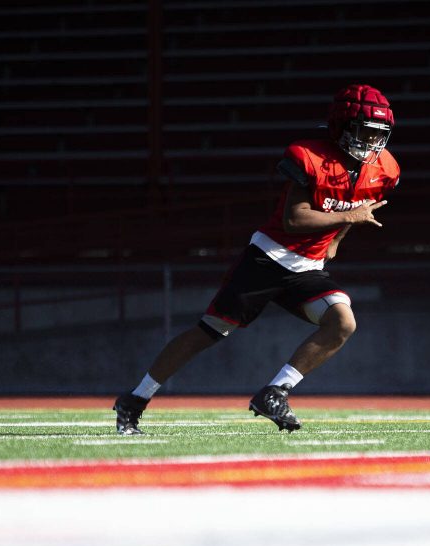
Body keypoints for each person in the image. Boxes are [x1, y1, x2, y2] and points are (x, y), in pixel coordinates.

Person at [114, 84, 400, 434]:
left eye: (378, 134)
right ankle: (135, 398)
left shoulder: (384, 169)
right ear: (341, 126)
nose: (371, 142)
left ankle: (275, 392)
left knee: (343, 322)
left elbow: (357, 210)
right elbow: (294, 219)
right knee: (209, 332)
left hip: (307, 267)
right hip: (268, 257)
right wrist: (347, 221)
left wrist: (338, 238)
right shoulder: (309, 156)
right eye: (364, 132)